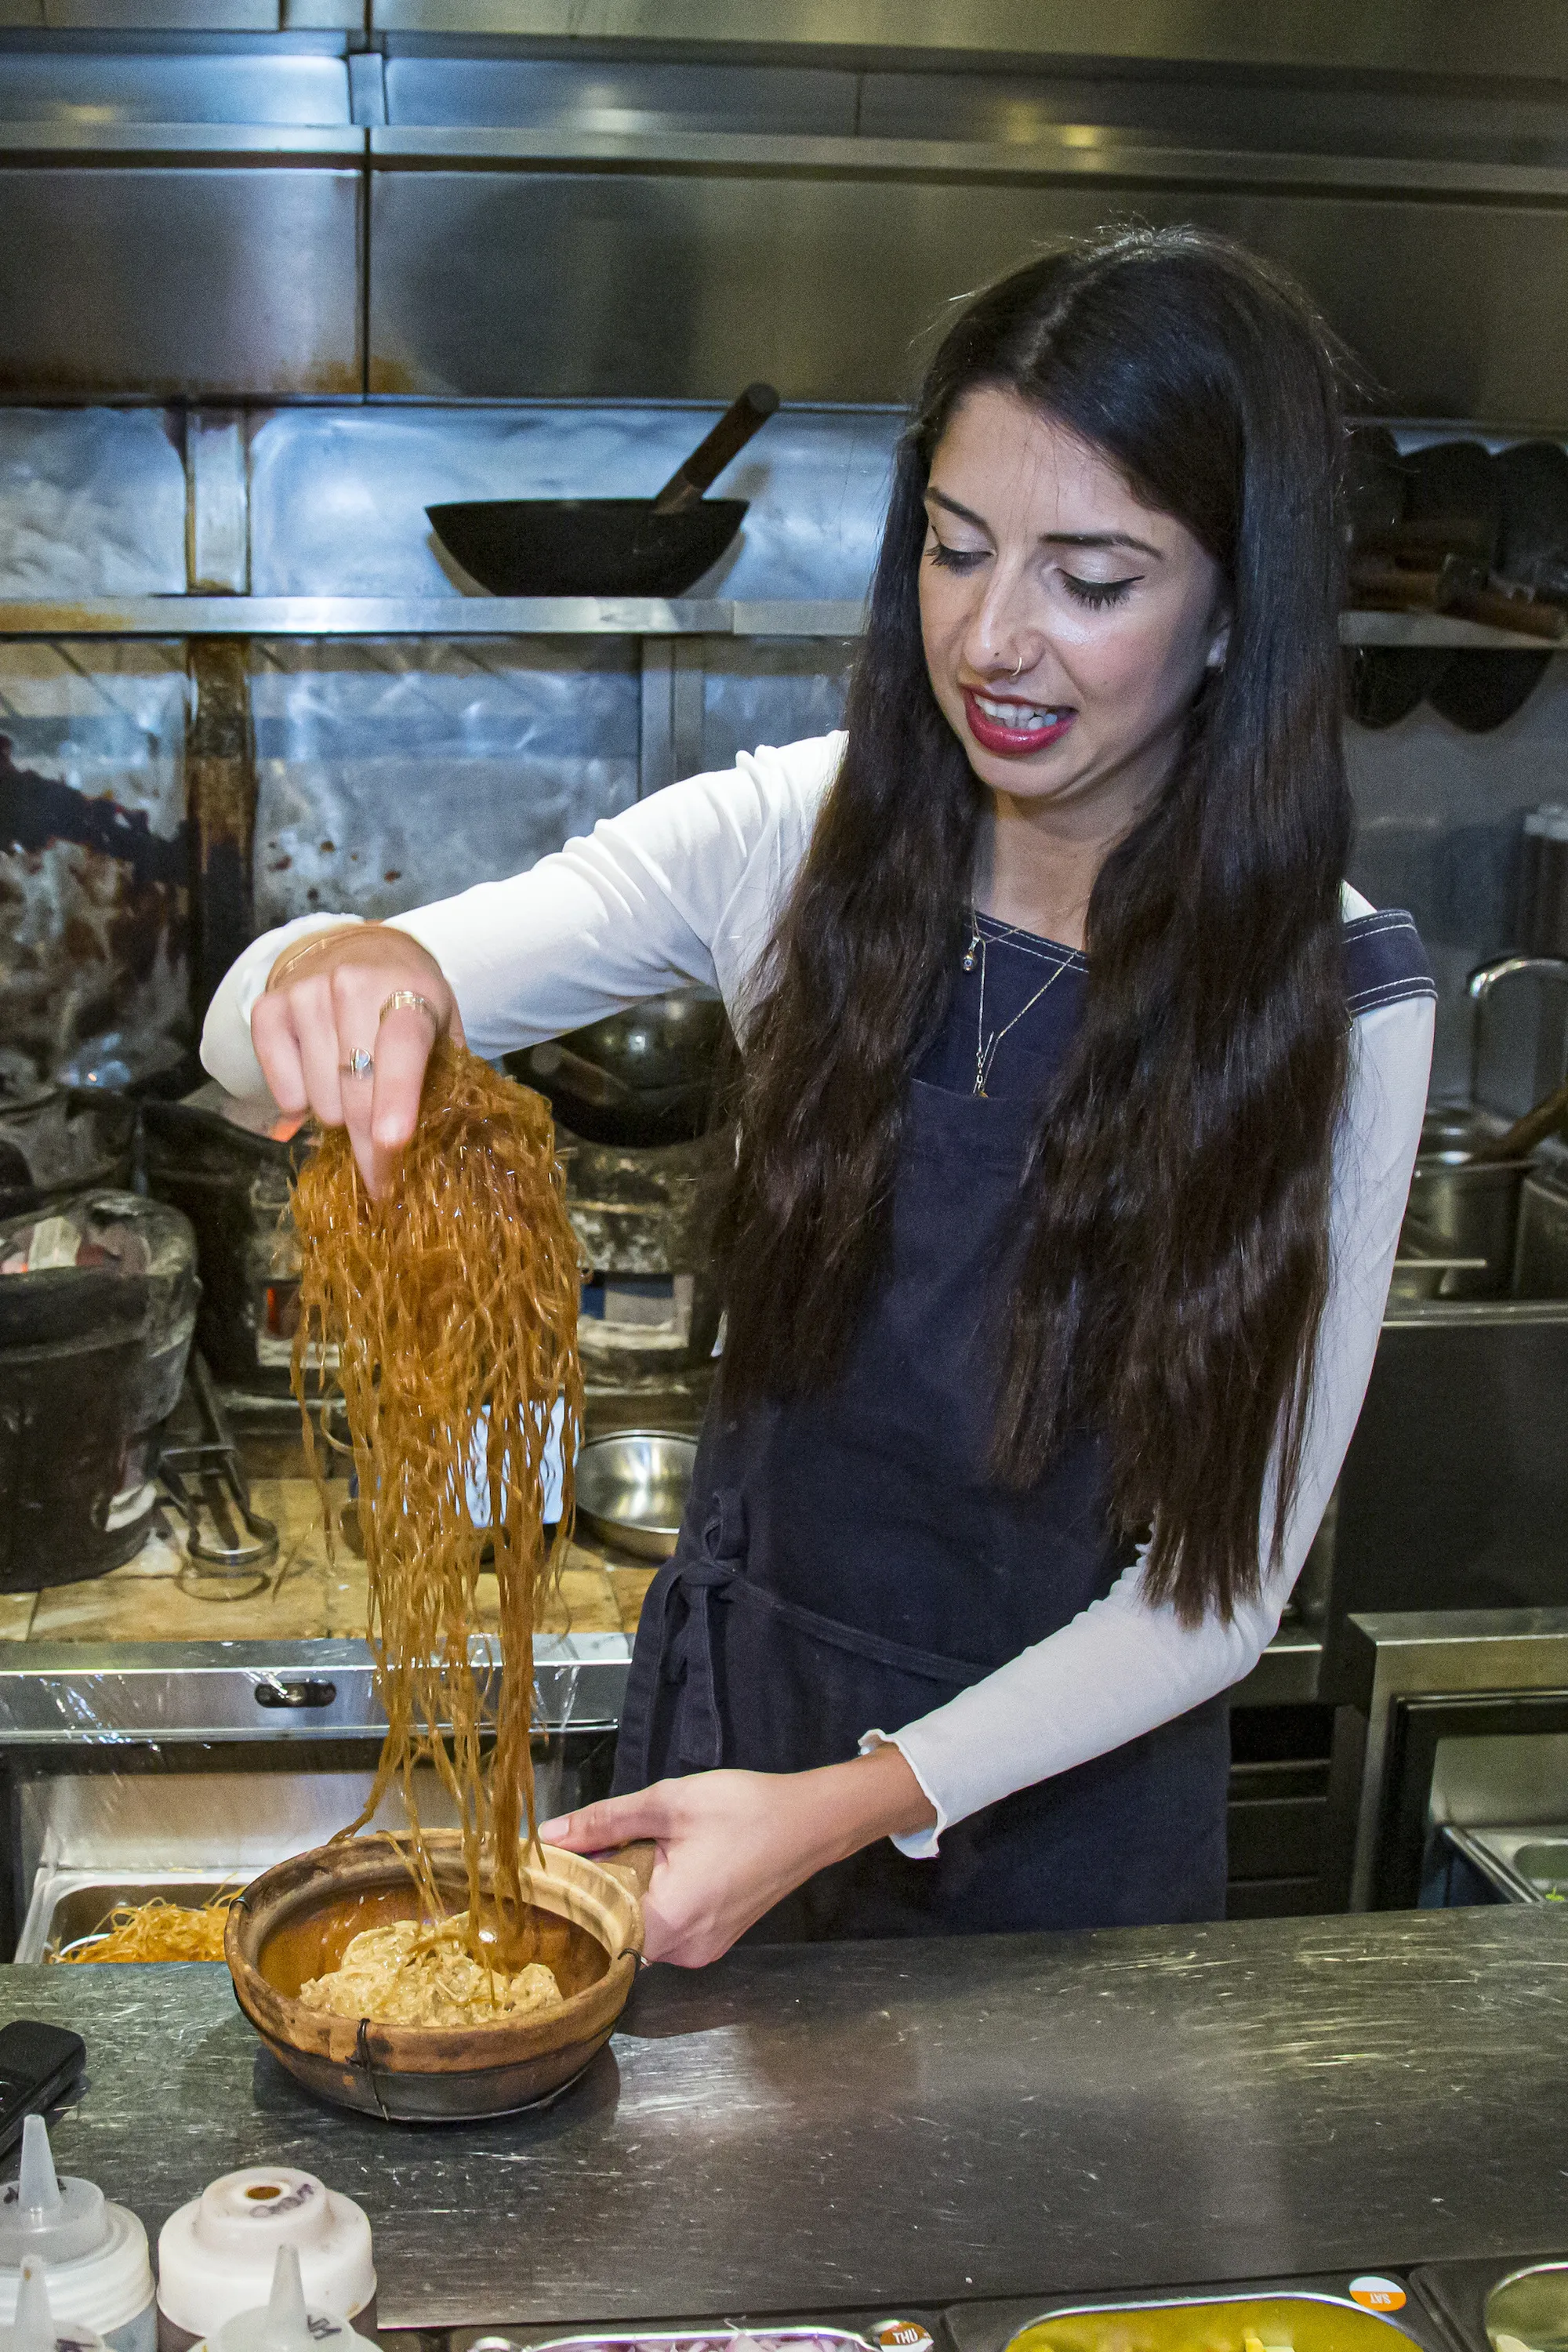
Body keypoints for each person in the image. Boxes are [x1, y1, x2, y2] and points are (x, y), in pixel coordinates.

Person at [203, 227, 1434, 1966]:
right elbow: (246, 1033)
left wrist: (850, 1802)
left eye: (1093, 579)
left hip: (1067, 1837)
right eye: (952, 548)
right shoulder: (792, 840)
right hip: (734, 1760)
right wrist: (343, 963)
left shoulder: (1337, 995)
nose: (994, 641)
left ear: (1238, 609)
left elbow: (1215, 1598)